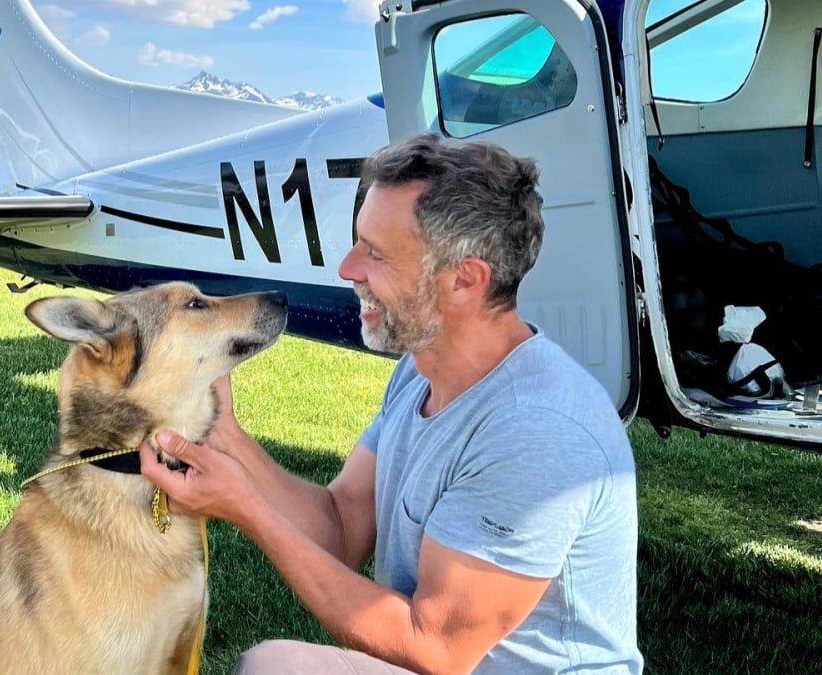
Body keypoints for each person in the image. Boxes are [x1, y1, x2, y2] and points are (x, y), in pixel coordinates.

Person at [139, 132, 642, 674]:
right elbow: (340, 528)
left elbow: (435, 648)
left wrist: (248, 508)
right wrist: (228, 440)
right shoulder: (421, 370)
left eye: (376, 254)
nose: (348, 269)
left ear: (464, 280)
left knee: (273, 667)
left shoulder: (538, 429)